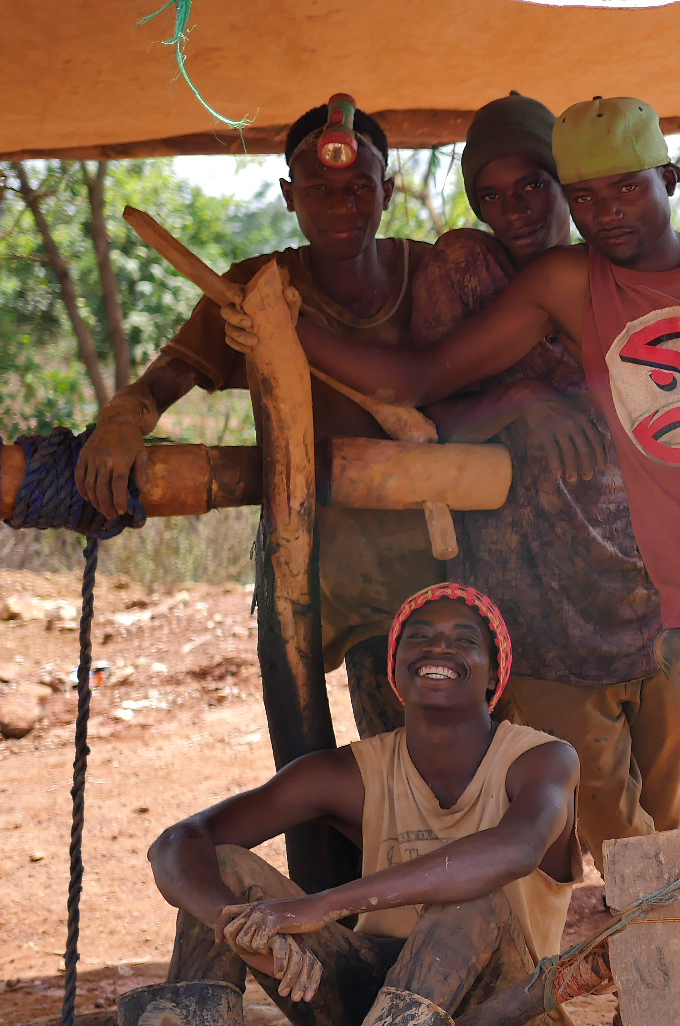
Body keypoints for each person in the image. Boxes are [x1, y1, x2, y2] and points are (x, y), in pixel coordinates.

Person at [223, 95, 680, 1026]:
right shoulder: (558, 283)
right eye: (583, 195)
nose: (604, 211)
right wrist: (285, 331)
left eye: (619, 187)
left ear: (667, 179)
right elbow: (420, 371)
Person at [75, 98, 438, 740]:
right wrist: (122, 421)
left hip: (440, 564)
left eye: (359, 187)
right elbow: (161, 383)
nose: (341, 205)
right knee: (328, 754)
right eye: (318, 189)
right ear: (288, 196)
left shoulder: (433, 273)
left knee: (443, 754)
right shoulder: (254, 289)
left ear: (388, 190)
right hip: (311, 568)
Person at [129, 583, 582, 1026]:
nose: (439, 648)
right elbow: (178, 843)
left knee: (476, 900)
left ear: (495, 670)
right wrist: (240, 927)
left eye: (465, 639)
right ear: (395, 667)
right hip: (369, 1017)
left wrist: (324, 904)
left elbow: (515, 849)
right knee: (223, 872)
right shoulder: (350, 774)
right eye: (420, 636)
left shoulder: (541, 760)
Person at [411, 93, 680, 853]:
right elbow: (422, 419)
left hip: (653, 589)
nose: (515, 209)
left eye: (532, 184)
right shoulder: (465, 270)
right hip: (542, 611)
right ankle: (661, 957)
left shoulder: (618, 266)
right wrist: (520, 396)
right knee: (609, 823)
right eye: (490, 194)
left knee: (669, 814)